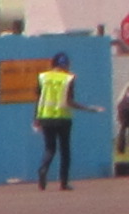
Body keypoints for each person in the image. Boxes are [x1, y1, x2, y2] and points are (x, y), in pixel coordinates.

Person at [31, 56, 98, 190]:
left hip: (46, 117)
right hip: (63, 118)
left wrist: (36, 119)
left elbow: (38, 99)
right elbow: (69, 101)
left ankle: (43, 169)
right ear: (65, 65)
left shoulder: (43, 77)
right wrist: (88, 108)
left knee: (50, 148)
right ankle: (64, 182)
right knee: (65, 150)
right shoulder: (68, 78)